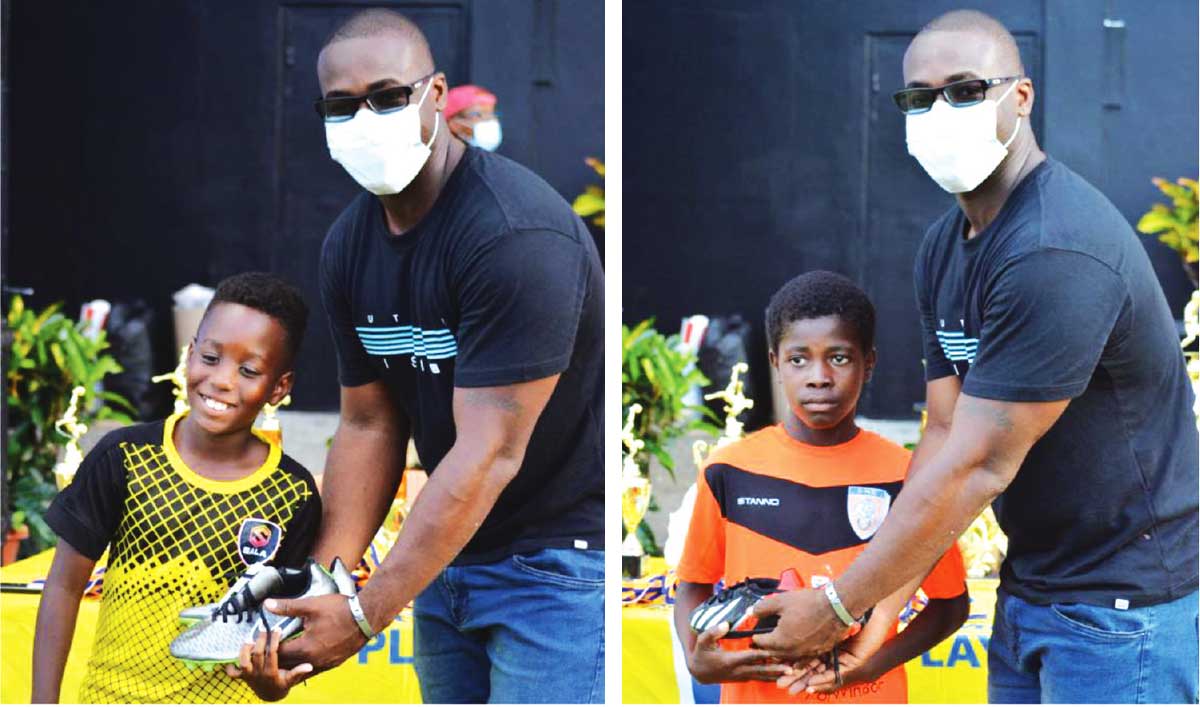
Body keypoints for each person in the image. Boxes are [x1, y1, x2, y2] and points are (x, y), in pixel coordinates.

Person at [751, 10, 1199, 704]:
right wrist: (879, 609)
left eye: (965, 89)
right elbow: (943, 431)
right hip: (1035, 588)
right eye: (920, 97)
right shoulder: (945, 246)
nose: (940, 111)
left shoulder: (1053, 248)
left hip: (1121, 611)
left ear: (1019, 98)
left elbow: (981, 464)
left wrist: (839, 604)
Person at [272, 9, 604, 704]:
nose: (367, 118)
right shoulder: (348, 244)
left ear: (436, 94)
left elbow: (490, 454)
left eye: (389, 96)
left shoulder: (516, 234)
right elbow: (370, 423)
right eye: (342, 105)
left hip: (554, 569)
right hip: (443, 557)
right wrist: (324, 584)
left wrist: (362, 616)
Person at [673, 271, 968, 704]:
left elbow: (950, 606)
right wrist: (695, 656)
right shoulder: (728, 470)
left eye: (839, 358)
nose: (819, 377)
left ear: (869, 362)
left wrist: (871, 663)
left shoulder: (907, 476)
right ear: (774, 362)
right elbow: (693, 586)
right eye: (799, 359)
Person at [31, 272, 322, 703]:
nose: (222, 380)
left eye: (248, 370)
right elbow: (63, 587)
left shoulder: (293, 494)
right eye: (210, 357)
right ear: (189, 356)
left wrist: (270, 682)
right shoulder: (124, 457)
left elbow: (277, 633)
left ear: (279, 387)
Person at [445, 84, 502, 151]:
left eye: (491, 114)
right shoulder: (441, 159)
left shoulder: (494, 161)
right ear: (453, 124)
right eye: (477, 114)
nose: (488, 119)